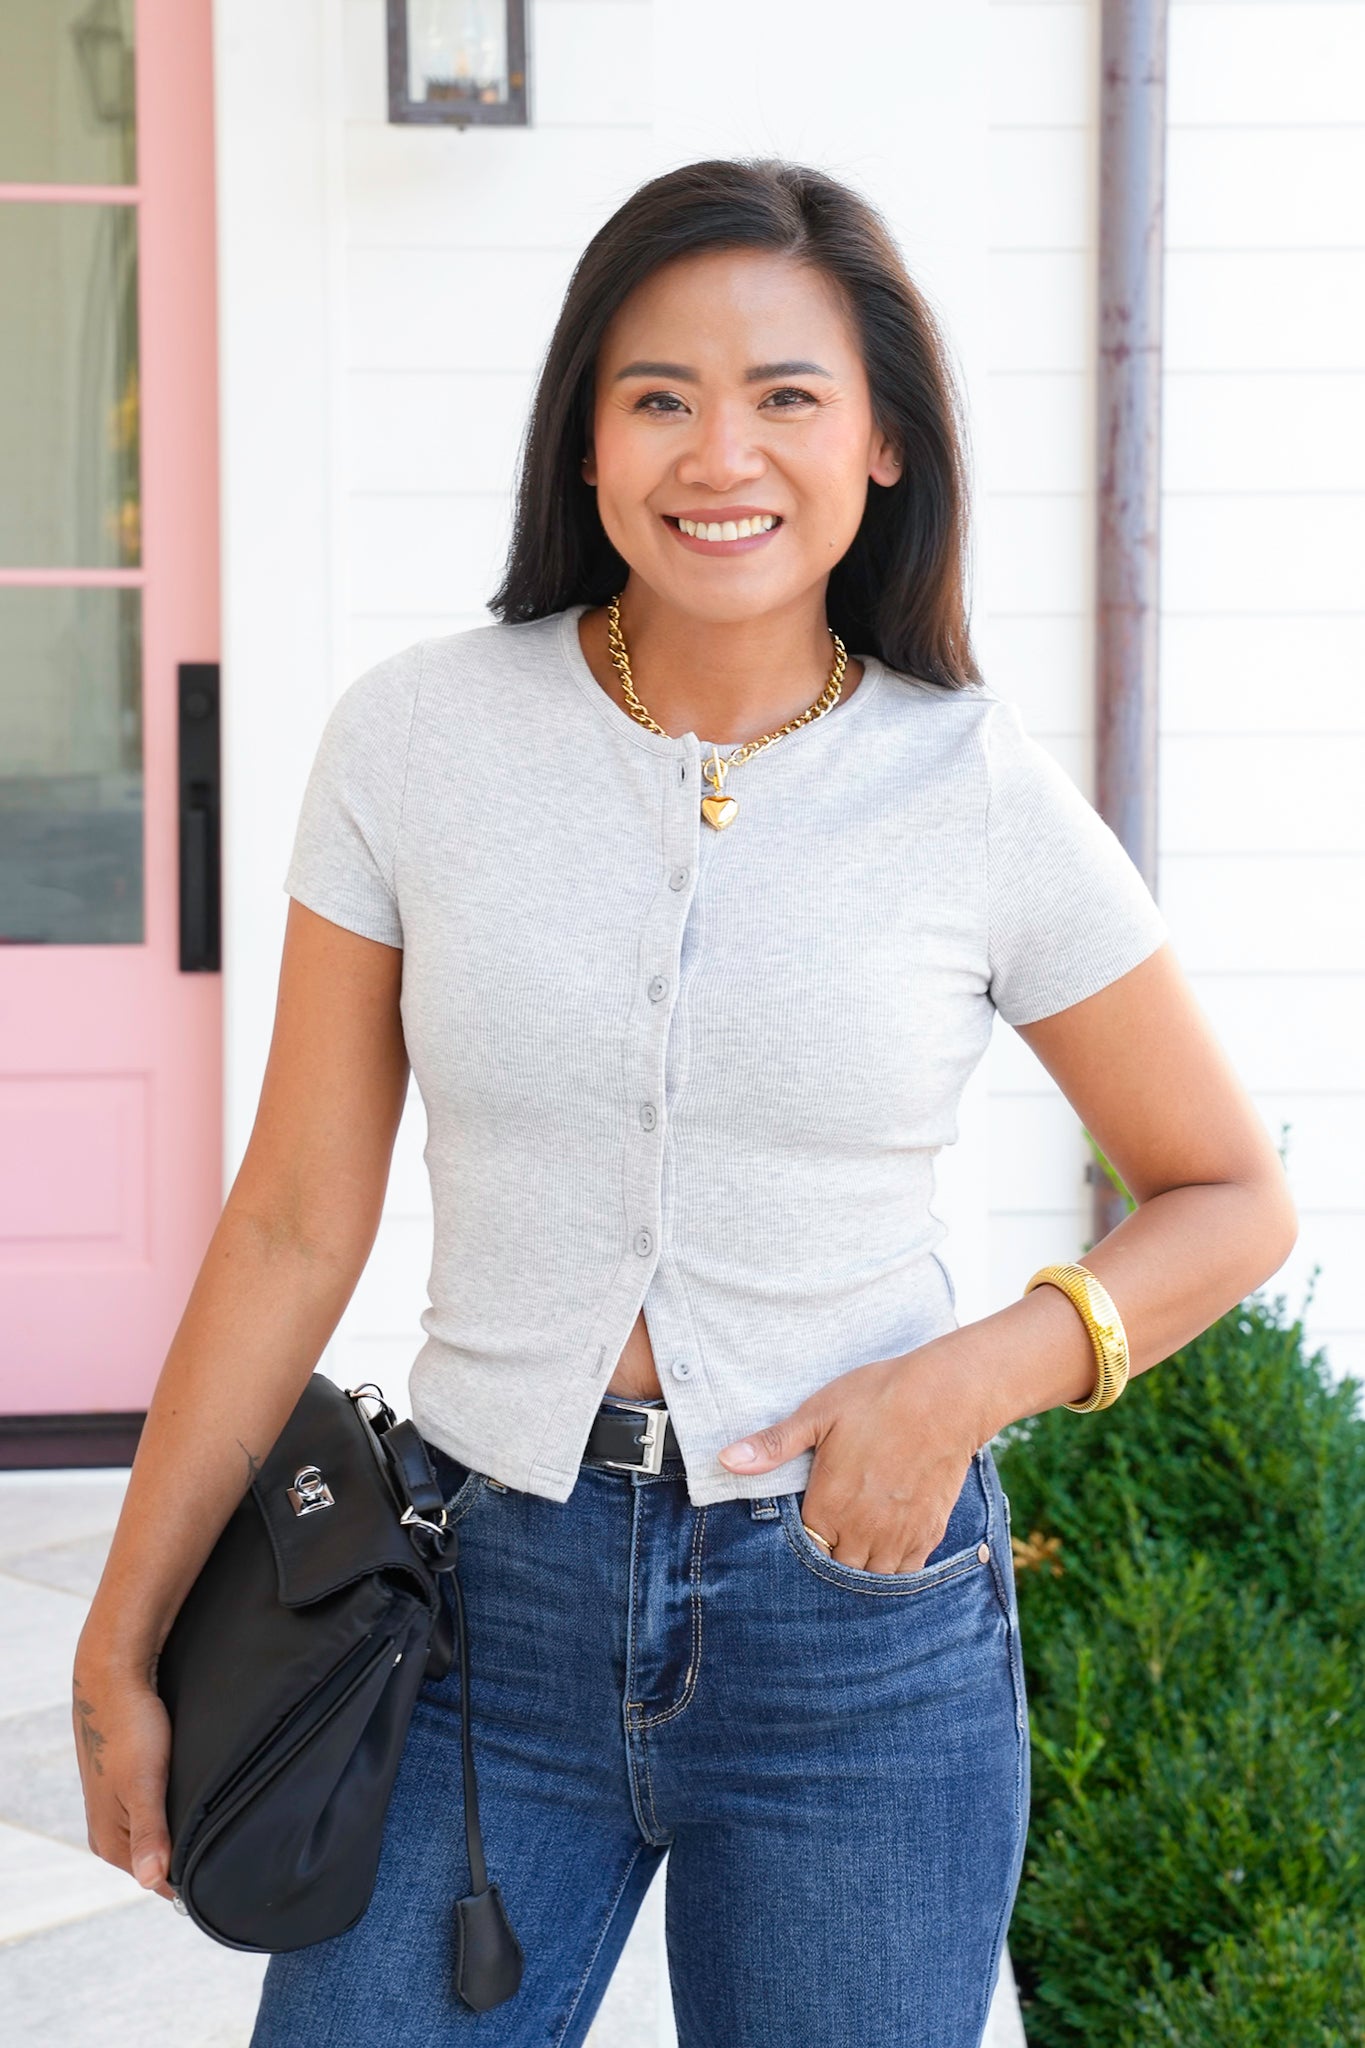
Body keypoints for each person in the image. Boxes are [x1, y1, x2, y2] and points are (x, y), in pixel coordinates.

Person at [73, 157, 1298, 2048]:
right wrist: (122, 1628)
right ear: (583, 440)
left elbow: (1227, 1192)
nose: (717, 452)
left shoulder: (971, 789)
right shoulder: (417, 740)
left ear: (882, 442)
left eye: (786, 396)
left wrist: (972, 1378)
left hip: (858, 1623)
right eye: (658, 396)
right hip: (484, 1605)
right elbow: (298, 1220)